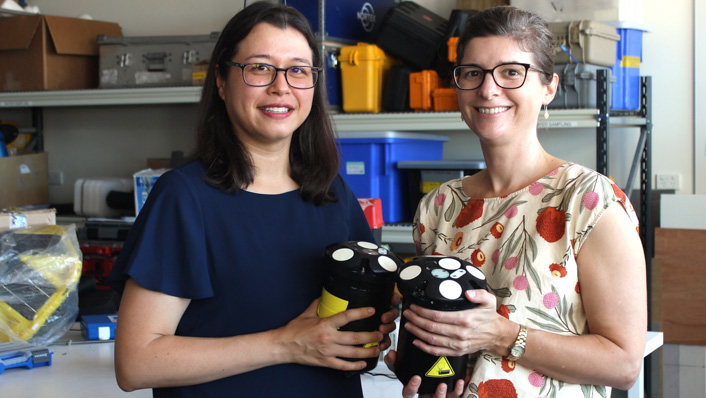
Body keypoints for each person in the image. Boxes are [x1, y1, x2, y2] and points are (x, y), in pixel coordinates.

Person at [107, 2, 398, 397]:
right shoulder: (184, 198)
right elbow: (136, 363)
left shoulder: (332, 194)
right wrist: (285, 344)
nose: (282, 86)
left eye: (298, 70)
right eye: (260, 67)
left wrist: (369, 332)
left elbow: (349, 329)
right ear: (223, 82)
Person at [384, 6, 647, 398]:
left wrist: (501, 334)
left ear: (549, 88)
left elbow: (624, 364)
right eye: (473, 73)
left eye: (511, 72)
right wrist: (426, 374)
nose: (488, 90)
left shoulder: (590, 201)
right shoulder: (438, 207)